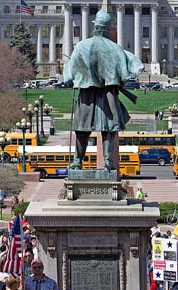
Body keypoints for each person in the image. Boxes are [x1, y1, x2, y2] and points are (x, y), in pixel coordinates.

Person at [63, 8, 143, 169]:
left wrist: (73, 79)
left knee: (82, 128)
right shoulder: (116, 49)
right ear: (108, 28)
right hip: (108, 94)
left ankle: (78, 161)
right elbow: (127, 73)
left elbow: (69, 78)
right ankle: (108, 161)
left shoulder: (81, 46)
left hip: (86, 93)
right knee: (108, 128)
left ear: (95, 27)